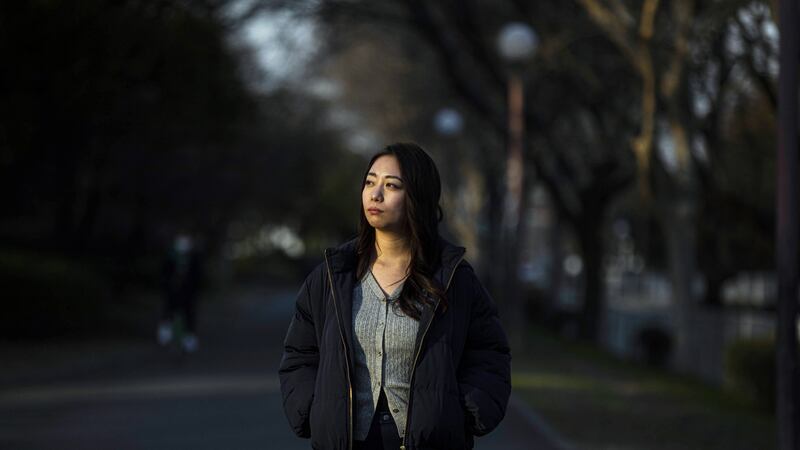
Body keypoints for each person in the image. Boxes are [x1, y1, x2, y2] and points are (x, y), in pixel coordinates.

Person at [278, 143, 511, 450]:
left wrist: (463, 413)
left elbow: (489, 353)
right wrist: (312, 409)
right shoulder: (333, 275)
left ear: (418, 196)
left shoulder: (452, 277)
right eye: (370, 182)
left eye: (391, 186)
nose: (375, 195)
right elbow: (299, 354)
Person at [158, 232, 203, 353]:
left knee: (189, 314)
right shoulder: (170, 256)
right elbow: (164, 273)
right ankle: (165, 335)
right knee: (168, 311)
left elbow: (198, 275)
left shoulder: (194, 257)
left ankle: (189, 339)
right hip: (172, 291)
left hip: (188, 292)